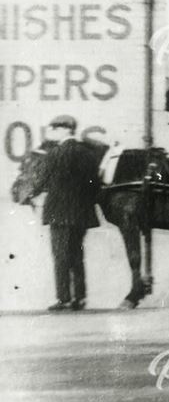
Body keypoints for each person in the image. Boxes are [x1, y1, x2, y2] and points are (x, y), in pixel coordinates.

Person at [41, 115, 101, 312]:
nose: (53, 132)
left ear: (65, 130)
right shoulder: (88, 153)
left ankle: (63, 298)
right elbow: (94, 184)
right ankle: (80, 298)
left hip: (58, 212)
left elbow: (43, 181)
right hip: (82, 213)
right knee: (76, 255)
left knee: (60, 256)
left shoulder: (54, 153)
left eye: (55, 128)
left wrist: (30, 195)